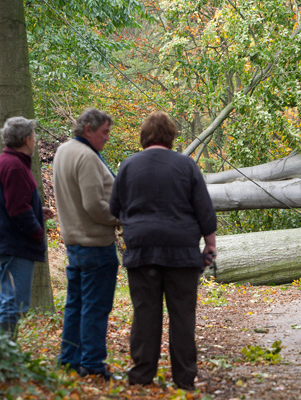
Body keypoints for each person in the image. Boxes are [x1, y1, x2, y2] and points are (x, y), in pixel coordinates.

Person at [109, 111, 217, 389]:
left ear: (144, 136)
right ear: (171, 136)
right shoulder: (187, 165)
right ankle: (184, 379)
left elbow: (114, 209)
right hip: (181, 252)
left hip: (142, 251)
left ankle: (142, 375)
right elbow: (204, 209)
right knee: (182, 315)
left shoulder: (128, 166)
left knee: (145, 313)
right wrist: (210, 245)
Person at [53, 108, 121, 380]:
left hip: (74, 241)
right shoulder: (86, 157)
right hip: (95, 243)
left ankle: (69, 359)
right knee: (96, 306)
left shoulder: (62, 151)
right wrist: (119, 218)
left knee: (75, 304)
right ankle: (92, 364)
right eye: (104, 132)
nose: (107, 138)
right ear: (88, 129)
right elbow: (94, 205)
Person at [0, 116, 54, 339]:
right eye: (34, 137)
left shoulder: (5, 162)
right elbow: (16, 209)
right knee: (14, 302)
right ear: (26, 139)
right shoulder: (14, 166)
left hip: (9, 242)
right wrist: (37, 232)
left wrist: (36, 211)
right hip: (15, 244)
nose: (35, 141)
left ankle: (6, 352)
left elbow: (13, 203)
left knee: (12, 300)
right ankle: (5, 353)